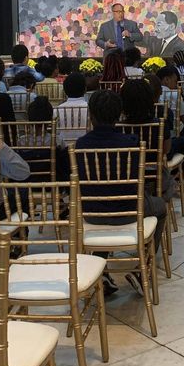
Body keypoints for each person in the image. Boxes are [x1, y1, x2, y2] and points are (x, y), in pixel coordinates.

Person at [74, 90, 167, 268]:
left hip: (91, 213)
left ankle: (100, 268)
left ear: (91, 115)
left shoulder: (81, 145)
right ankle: (144, 267)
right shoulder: (131, 143)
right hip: (129, 212)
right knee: (160, 206)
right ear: (118, 115)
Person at [55, 71, 89, 146]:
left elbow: (55, 133)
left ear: (65, 90)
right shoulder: (90, 109)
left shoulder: (57, 110)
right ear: (85, 89)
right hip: (84, 149)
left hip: (63, 149)